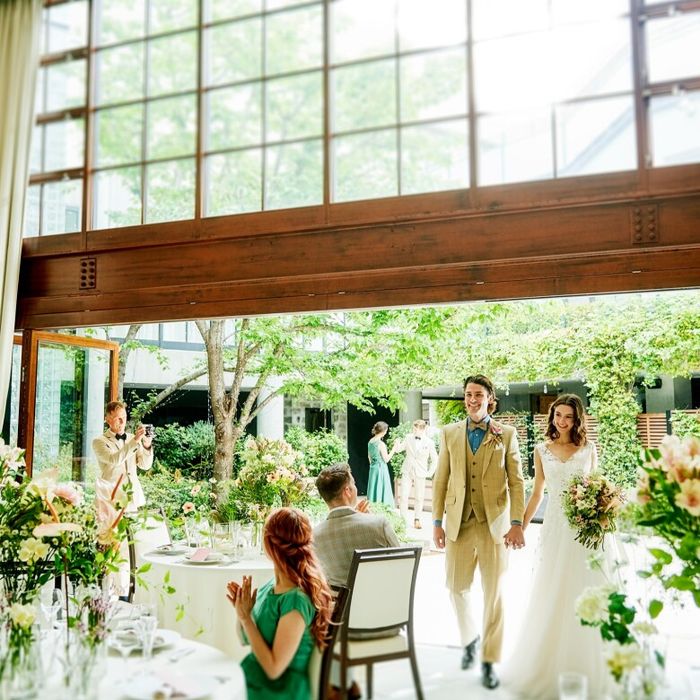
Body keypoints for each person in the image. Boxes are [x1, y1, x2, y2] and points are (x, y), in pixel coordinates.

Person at [502, 394, 613, 699]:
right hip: (555, 525)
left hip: (584, 527)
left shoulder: (588, 448)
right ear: (552, 417)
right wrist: (520, 527)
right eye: (558, 415)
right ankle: (550, 664)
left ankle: (591, 662)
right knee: (554, 586)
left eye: (569, 417)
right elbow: (537, 493)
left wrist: (602, 514)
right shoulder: (541, 450)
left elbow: (597, 488)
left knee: (586, 584)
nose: (562, 421)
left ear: (577, 420)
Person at [432, 374, 525, 690]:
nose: (473, 400)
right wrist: (436, 523)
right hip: (458, 522)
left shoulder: (506, 434)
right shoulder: (449, 433)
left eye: (479, 395)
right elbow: (441, 480)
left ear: (490, 399)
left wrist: (516, 523)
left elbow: (516, 482)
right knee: (456, 588)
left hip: (494, 525)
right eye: (469, 394)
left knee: (493, 594)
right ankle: (470, 638)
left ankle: (489, 660)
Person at [314, 462, 401, 700]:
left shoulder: (315, 536)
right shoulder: (378, 524)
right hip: (388, 622)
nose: (355, 487)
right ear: (347, 491)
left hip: (343, 630)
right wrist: (365, 520)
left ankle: (338, 687)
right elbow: (400, 566)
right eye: (353, 484)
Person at [226, 507, 333, 700]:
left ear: (268, 543)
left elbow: (274, 669)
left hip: (280, 691)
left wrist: (246, 619)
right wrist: (242, 611)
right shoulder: (271, 586)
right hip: (254, 679)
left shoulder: (296, 600)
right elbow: (245, 639)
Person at [92, 400, 153, 598]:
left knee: (131, 547)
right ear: (107, 419)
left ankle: (129, 593)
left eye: (124, 418)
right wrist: (134, 442)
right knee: (112, 548)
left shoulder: (131, 440)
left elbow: (145, 465)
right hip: (110, 501)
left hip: (132, 500)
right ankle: (109, 594)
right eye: (118, 418)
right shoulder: (99, 441)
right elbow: (114, 459)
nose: (122, 422)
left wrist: (146, 444)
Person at [395, 419, 438, 529]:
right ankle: (403, 520)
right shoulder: (408, 437)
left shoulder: (429, 442)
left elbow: (435, 459)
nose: (413, 431)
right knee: (404, 496)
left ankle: (417, 519)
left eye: (416, 429)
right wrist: (397, 443)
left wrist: (429, 473)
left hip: (421, 472)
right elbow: (399, 449)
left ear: (422, 429)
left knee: (419, 497)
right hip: (407, 470)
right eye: (413, 429)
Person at [366, 421, 397, 507]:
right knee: (382, 488)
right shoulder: (381, 444)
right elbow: (386, 459)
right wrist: (394, 448)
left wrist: (373, 465)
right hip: (381, 468)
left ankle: (373, 507)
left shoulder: (370, 442)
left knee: (373, 488)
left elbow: (369, 457)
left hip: (373, 468)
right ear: (383, 431)